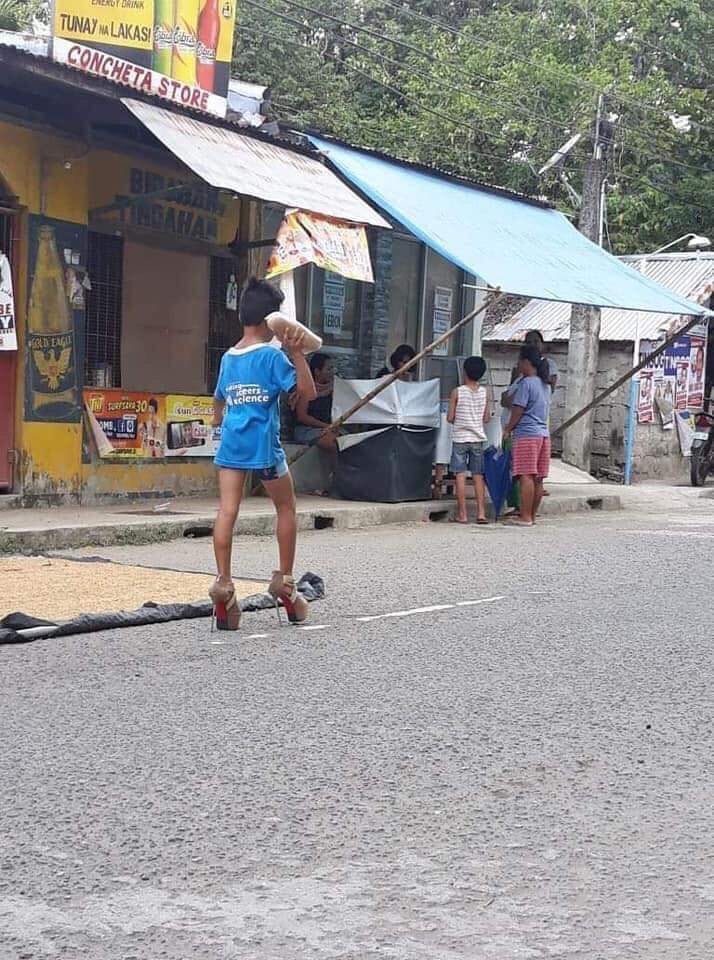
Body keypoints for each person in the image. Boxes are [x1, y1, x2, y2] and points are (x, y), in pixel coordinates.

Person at [210, 278, 317, 630]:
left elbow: (218, 401)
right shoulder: (272, 355)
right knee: (286, 506)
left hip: (231, 446)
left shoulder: (229, 357)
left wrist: (218, 426)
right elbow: (307, 393)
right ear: (272, 321)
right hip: (264, 449)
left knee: (227, 511)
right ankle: (285, 581)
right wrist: (297, 353)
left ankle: (223, 584)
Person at [503, 344, 551, 526]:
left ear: (526, 362)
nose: (518, 365)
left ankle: (524, 516)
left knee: (526, 475)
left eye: (519, 361)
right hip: (543, 434)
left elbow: (518, 410)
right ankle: (532, 514)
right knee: (538, 477)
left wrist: (508, 428)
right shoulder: (544, 385)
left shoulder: (526, 384)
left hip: (527, 434)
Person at [447, 356, 491, 524]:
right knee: (478, 475)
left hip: (460, 438)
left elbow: (450, 417)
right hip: (477, 438)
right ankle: (481, 513)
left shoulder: (457, 392)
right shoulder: (484, 392)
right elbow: (486, 418)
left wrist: (458, 418)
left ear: (464, 371)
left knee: (460, 474)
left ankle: (463, 514)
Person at [294, 353, 336, 451]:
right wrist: (326, 426)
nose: (332, 372)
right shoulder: (305, 388)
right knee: (332, 442)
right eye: (329, 369)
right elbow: (302, 417)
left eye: (333, 368)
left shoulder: (333, 388)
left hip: (328, 428)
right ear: (317, 371)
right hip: (306, 430)